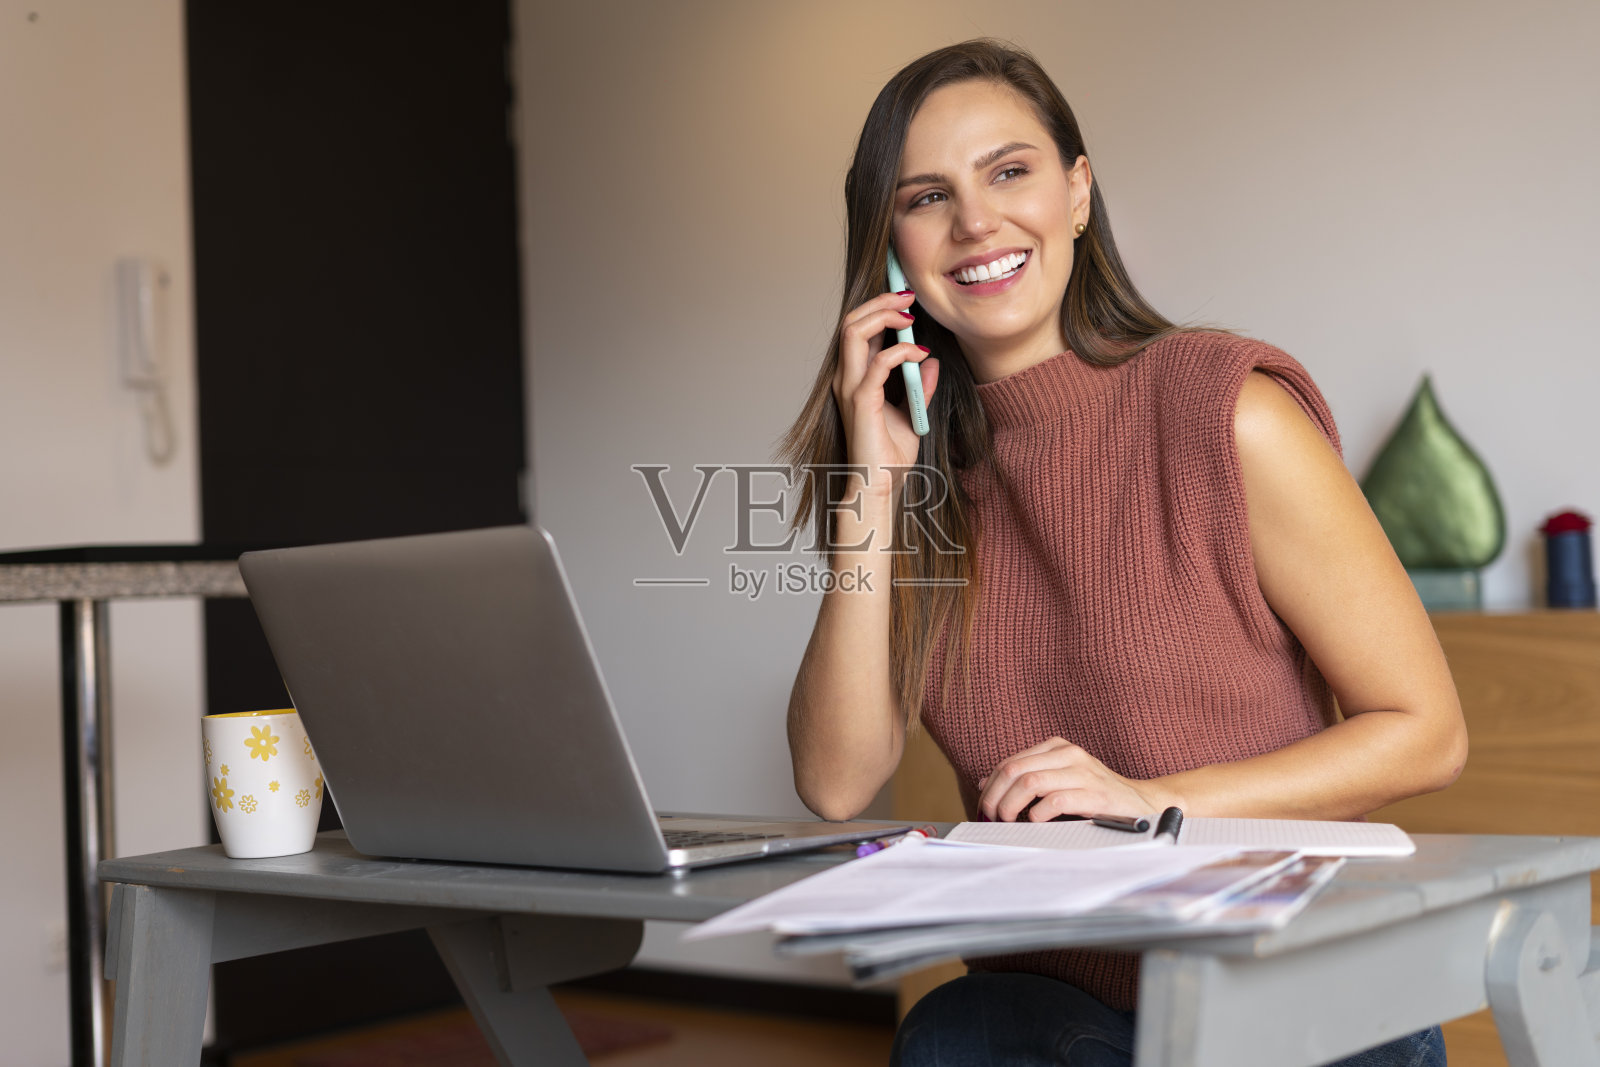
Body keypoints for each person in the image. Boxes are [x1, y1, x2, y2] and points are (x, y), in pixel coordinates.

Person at [777, 39, 1467, 1067]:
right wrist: (870, 488)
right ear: (888, 248)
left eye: (1009, 171)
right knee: (951, 1036)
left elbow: (1424, 732)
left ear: (1079, 192)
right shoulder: (919, 483)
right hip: (1063, 1008)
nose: (974, 222)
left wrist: (1152, 803)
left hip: (1285, 985)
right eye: (926, 197)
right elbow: (836, 781)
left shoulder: (1224, 409)